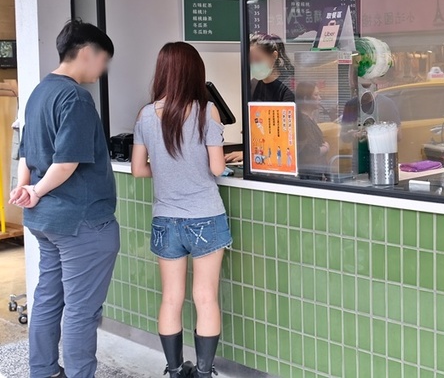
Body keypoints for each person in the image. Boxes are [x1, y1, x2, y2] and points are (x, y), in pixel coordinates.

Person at [9, 19, 119, 378]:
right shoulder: (74, 97)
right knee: (80, 310)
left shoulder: (40, 91)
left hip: (47, 221)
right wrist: (36, 190)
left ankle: (42, 371)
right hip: (81, 221)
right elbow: (66, 161)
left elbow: (26, 153)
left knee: (47, 299)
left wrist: (26, 188)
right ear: (87, 53)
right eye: (104, 60)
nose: (103, 70)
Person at [131, 42, 230, 378]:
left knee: (171, 297)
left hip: (165, 219)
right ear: (194, 73)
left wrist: (168, 169)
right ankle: (203, 372)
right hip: (205, 215)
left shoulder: (145, 115)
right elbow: (217, 168)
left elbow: (137, 169)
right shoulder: (207, 111)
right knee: (205, 296)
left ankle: (175, 370)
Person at [225, 33, 294, 163]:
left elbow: (288, 135)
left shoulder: (288, 88)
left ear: (274, 56)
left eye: (258, 60)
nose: (254, 65)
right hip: (260, 155)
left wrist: (251, 155)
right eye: (250, 61)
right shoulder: (253, 84)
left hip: (282, 157)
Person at [295, 81, 330, 176]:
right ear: (306, 99)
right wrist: (326, 148)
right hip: (311, 177)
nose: (320, 98)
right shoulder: (303, 122)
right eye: (316, 95)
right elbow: (310, 153)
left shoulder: (309, 119)